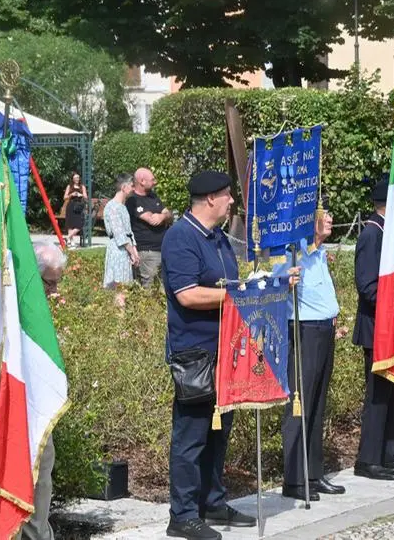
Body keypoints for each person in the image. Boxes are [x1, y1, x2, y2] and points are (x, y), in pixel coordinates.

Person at [161, 171, 255, 540]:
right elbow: (187, 294)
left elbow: (228, 284)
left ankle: (212, 501)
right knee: (192, 435)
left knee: (219, 431)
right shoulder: (181, 237)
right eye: (228, 195)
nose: (232, 201)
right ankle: (182, 514)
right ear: (211, 199)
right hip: (195, 353)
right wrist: (239, 295)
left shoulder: (218, 237)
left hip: (226, 348)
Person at [0, 241, 68, 540]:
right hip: (6, 405)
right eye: (50, 283)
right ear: (32, 275)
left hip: (35, 407)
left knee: (41, 472)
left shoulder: (36, 308)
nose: (55, 291)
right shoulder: (6, 302)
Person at [352, 178, 394, 481]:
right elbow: (367, 286)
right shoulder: (372, 234)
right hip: (377, 329)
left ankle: (391, 453)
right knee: (378, 397)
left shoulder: (391, 235)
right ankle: (368, 459)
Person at [278, 196, 343, 501]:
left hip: (324, 331)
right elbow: (278, 280)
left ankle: (313, 473)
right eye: (325, 214)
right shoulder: (295, 253)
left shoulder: (318, 254)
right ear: (309, 220)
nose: (330, 218)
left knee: (317, 404)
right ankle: (294, 478)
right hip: (303, 331)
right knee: (299, 404)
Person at [127, 167, 173, 287]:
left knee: (164, 285)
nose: (155, 182)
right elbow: (152, 220)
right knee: (149, 287)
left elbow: (169, 215)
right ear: (142, 181)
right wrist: (163, 216)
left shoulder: (153, 196)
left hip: (162, 248)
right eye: (152, 179)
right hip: (147, 251)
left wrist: (163, 217)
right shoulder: (133, 200)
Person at [103, 173, 140, 306]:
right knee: (120, 289)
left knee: (124, 289)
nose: (133, 189)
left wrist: (134, 251)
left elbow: (128, 232)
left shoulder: (122, 207)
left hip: (125, 250)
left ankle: (121, 321)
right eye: (131, 186)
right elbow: (119, 234)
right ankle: (119, 324)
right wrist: (131, 251)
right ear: (124, 187)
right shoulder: (112, 207)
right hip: (118, 250)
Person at [63, 172, 88, 246]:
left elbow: (86, 197)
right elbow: (64, 197)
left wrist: (81, 195)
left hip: (78, 206)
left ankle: (67, 237)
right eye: (76, 178)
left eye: (78, 177)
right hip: (71, 205)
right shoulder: (69, 186)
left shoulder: (82, 186)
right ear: (73, 179)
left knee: (79, 225)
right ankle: (71, 241)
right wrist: (71, 194)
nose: (77, 179)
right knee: (70, 224)